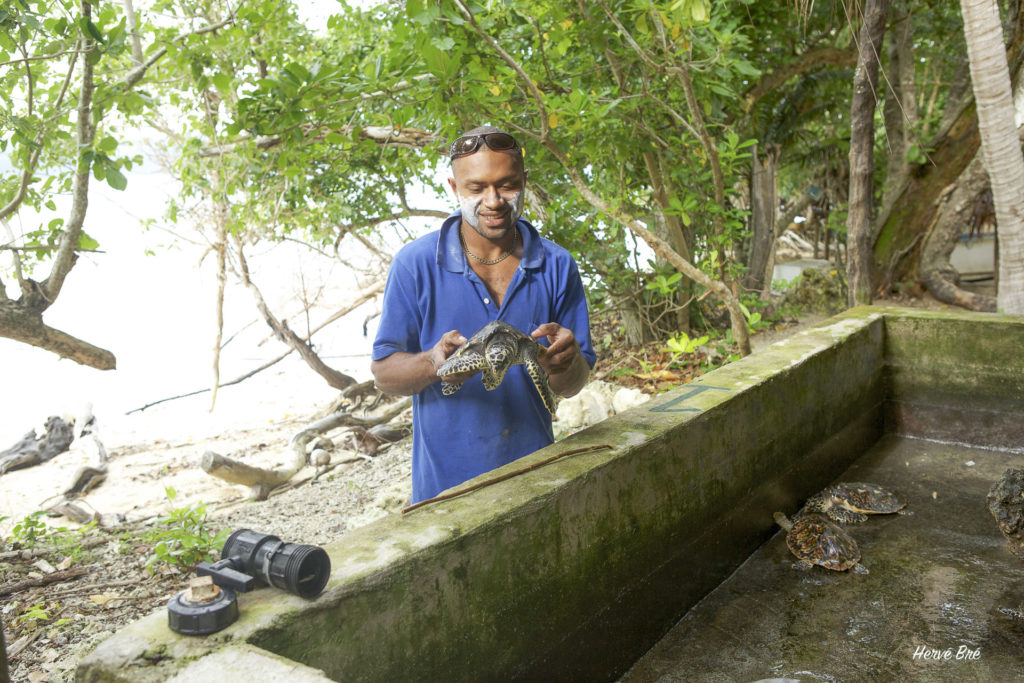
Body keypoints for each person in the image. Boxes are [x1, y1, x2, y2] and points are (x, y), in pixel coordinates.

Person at [370, 125, 596, 504]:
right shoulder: (415, 265)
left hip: (536, 479)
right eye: (476, 188)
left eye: (507, 185)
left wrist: (563, 365)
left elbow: (570, 386)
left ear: (524, 182)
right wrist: (433, 362)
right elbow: (383, 376)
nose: (493, 200)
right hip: (444, 492)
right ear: (454, 188)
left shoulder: (557, 265)